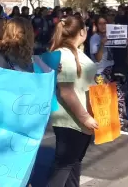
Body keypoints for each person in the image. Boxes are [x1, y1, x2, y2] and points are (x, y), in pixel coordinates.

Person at [48, 16, 99, 187]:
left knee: (73, 164)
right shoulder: (65, 55)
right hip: (71, 120)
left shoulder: (73, 52)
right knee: (63, 167)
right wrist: (85, 117)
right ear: (82, 32)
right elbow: (66, 91)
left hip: (78, 119)